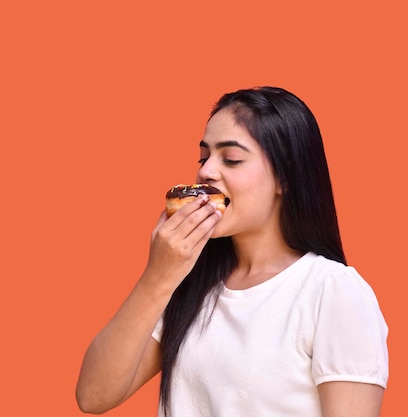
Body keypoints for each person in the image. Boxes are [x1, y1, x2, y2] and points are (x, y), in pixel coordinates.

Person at [75, 86, 389, 417]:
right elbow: (93, 396)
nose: (206, 172)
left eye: (232, 159)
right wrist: (157, 277)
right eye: (203, 157)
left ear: (285, 177)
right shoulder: (191, 284)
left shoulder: (332, 290)